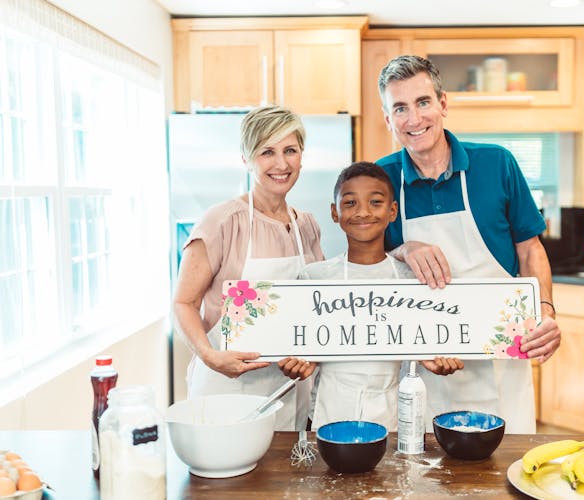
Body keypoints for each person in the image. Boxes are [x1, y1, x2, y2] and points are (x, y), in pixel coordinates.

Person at [375, 55, 562, 434]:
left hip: (501, 359)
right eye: (400, 108)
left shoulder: (497, 164)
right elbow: (368, 262)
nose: (414, 119)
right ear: (388, 119)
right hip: (424, 362)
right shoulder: (381, 178)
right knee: (426, 478)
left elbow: (529, 248)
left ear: (443, 104)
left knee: (505, 471)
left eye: (423, 102)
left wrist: (544, 310)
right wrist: (404, 249)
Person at [173, 105, 321, 431]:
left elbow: (314, 306)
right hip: (227, 388)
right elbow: (183, 303)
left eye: (290, 151)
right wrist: (210, 356)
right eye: (267, 152)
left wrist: (310, 354)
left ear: (301, 156)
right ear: (247, 158)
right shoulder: (222, 221)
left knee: (282, 479)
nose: (281, 164)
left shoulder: (306, 225)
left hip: (288, 390)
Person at [297, 162, 463, 431]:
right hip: (328, 408)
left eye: (375, 202)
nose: (362, 212)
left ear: (392, 211)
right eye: (350, 203)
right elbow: (302, 347)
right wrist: (298, 361)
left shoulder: (413, 280)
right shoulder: (313, 278)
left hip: (394, 411)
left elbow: (424, 338)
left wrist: (434, 356)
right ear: (334, 213)